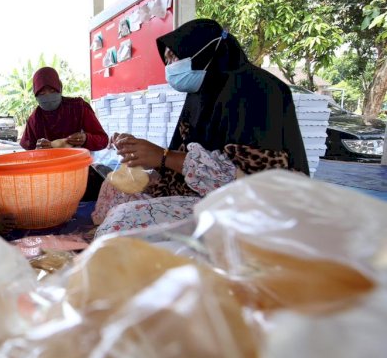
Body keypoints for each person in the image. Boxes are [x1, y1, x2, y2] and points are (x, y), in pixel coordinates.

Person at [92, 18, 309, 237]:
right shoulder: (200, 94)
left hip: (253, 209)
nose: (169, 66)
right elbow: (182, 155)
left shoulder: (257, 90)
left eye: (174, 56)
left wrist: (162, 156)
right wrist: (140, 153)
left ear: (203, 51)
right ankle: (99, 242)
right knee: (114, 188)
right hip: (203, 191)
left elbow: (247, 185)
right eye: (166, 59)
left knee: (124, 220)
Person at [19, 67, 108, 151]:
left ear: (60, 88)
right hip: (50, 166)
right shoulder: (34, 120)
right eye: (42, 93)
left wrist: (86, 139)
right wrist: (38, 149)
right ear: (35, 95)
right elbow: (28, 152)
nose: (48, 96)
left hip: (78, 163)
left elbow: (103, 140)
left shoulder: (78, 108)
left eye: (52, 91)